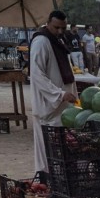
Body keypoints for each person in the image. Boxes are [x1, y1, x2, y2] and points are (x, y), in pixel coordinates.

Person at [29, 10, 78, 178]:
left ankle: (59, 179)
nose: (60, 31)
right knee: (45, 150)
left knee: (60, 148)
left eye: (63, 28)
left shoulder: (58, 39)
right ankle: (45, 178)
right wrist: (59, 94)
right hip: (47, 106)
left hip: (60, 107)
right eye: (56, 27)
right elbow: (36, 74)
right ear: (48, 23)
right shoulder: (41, 42)